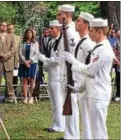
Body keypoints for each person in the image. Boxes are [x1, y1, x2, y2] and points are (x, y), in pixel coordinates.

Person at [63, 18, 115, 139]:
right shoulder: (98, 47)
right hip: (94, 92)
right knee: (94, 129)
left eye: (92, 31)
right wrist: (79, 88)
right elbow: (90, 76)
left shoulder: (104, 50)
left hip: (99, 94)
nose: (89, 33)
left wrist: (73, 62)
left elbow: (90, 71)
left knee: (99, 132)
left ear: (100, 32)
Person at [57, 4, 80, 139]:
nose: (58, 17)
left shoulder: (71, 32)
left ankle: (72, 135)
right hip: (64, 71)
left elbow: (73, 54)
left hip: (70, 72)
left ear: (68, 15)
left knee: (71, 103)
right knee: (67, 102)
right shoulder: (65, 30)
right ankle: (69, 134)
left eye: (60, 14)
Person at [74, 11, 95, 139]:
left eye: (79, 21)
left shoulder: (88, 44)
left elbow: (91, 67)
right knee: (84, 119)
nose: (76, 23)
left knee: (87, 119)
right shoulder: (81, 41)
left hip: (86, 86)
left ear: (86, 25)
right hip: (80, 85)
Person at [42, 20, 65, 132]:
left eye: (52, 28)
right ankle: (55, 123)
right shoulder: (51, 41)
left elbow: (58, 60)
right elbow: (50, 56)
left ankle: (60, 125)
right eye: (50, 28)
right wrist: (45, 65)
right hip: (51, 74)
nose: (50, 30)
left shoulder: (61, 42)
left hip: (58, 75)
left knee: (58, 101)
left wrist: (45, 60)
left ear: (59, 29)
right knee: (53, 102)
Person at [0, 21, 16, 103]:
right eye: (2, 25)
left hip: (8, 61)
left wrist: (7, 55)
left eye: (5, 26)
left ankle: (10, 97)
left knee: (9, 81)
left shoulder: (11, 36)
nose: (4, 27)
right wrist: (1, 55)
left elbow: (13, 48)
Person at [18, 28, 39, 104]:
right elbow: (20, 53)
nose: (29, 34)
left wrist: (30, 61)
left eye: (30, 33)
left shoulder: (35, 43)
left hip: (32, 63)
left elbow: (36, 54)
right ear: (26, 34)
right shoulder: (22, 42)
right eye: (28, 33)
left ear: (32, 34)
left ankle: (31, 97)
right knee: (24, 80)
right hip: (23, 63)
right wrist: (25, 62)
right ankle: (25, 97)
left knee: (32, 80)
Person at [7, 24, 21, 96]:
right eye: (8, 29)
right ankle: (8, 94)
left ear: (14, 29)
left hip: (16, 60)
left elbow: (20, 49)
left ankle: (15, 92)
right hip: (7, 61)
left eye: (11, 29)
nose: (10, 30)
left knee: (15, 77)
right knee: (8, 78)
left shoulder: (18, 38)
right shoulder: (4, 38)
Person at [113, 30, 120, 101]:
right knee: (118, 79)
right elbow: (115, 52)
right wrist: (117, 61)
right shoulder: (116, 43)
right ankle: (118, 94)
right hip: (118, 64)